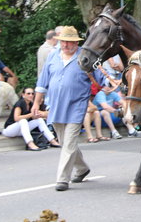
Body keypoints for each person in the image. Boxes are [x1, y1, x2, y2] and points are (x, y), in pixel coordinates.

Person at [32, 26, 104, 191]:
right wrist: (36, 103)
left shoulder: (84, 57)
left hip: (76, 106)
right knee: (65, 143)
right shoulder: (52, 56)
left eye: (70, 42)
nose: (66, 45)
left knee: (69, 142)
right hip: (56, 106)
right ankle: (82, 168)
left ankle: (62, 179)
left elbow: (101, 79)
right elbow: (42, 83)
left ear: (76, 43)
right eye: (63, 41)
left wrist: (113, 84)